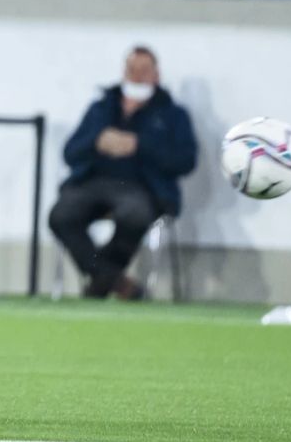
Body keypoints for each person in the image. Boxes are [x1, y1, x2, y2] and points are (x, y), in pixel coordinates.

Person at [48, 47, 196, 300]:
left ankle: (101, 280)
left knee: (135, 215)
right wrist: (97, 141)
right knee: (61, 215)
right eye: (132, 70)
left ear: (156, 75)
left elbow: (185, 161)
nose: (137, 76)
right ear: (123, 72)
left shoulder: (172, 115)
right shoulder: (101, 108)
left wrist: (139, 144)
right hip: (93, 182)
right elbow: (70, 153)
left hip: (141, 187)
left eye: (144, 70)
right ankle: (114, 280)